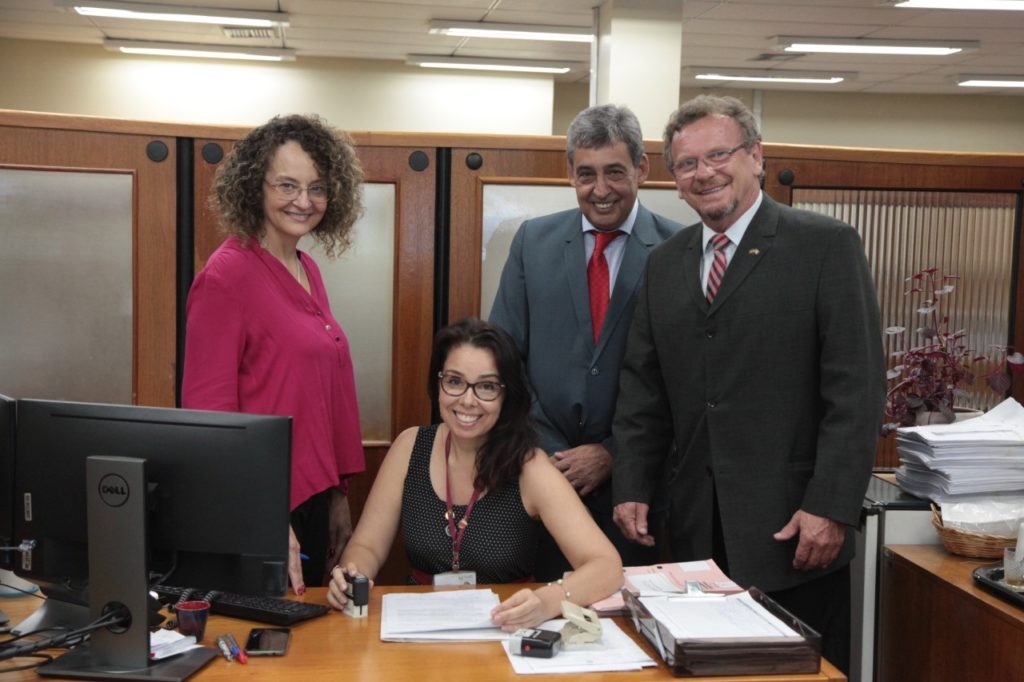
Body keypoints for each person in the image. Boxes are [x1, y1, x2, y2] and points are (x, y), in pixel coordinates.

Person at [611, 95, 885, 674]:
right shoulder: (665, 264)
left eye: (719, 154)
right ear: (675, 182)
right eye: (687, 164)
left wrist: (830, 507)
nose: (704, 172)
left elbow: (855, 392)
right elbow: (644, 388)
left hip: (793, 533)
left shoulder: (824, 247)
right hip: (692, 535)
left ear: (755, 156)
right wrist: (632, 481)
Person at [326, 318, 623, 630]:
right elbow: (367, 546)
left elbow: (606, 565)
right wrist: (352, 574)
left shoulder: (529, 466)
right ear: (437, 384)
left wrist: (549, 601)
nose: (467, 400)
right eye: (454, 381)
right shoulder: (410, 447)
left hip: (505, 629)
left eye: (486, 387)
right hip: (415, 630)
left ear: (507, 395)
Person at [489, 104, 680, 581]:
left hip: (637, 497)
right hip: (540, 483)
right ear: (569, 172)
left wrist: (613, 453)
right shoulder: (533, 241)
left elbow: (685, 381)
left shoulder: (679, 251)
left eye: (615, 172)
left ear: (641, 168)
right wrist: (548, 455)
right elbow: (503, 360)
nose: (600, 190)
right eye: (586, 174)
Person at [182, 113, 366, 595]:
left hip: (308, 500)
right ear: (254, 188)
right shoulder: (226, 277)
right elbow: (209, 419)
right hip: (254, 505)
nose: (303, 201)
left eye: (318, 187)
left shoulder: (306, 269)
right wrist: (266, 520)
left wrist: (337, 496)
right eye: (287, 185)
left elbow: (321, 394)